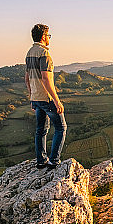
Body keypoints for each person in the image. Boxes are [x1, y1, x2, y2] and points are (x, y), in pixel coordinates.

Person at [25, 23, 66, 169]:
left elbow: (27, 78)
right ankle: (54, 161)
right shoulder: (44, 54)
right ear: (43, 36)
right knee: (61, 128)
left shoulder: (29, 53)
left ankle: (41, 160)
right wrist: (56, 100)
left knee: (40, 130)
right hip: (46, 98)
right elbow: (46, 79)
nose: (49, 38)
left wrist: (31, 96)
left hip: (36, 98)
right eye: (48, 35)